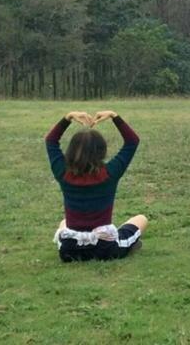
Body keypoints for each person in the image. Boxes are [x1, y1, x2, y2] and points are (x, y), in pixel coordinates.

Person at [46, 110, 148, 262]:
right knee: (141, 219)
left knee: (64, 223)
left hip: (69, 251)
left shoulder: (63, 173)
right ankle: (128, 244)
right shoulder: (109, 174)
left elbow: (51, 141)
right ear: (102, 151)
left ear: (71, 151)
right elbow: (132, 141)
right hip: (105, 249)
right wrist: (114, 116)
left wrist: (68, 118)